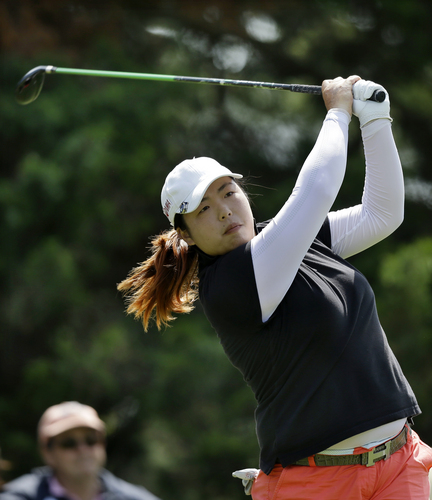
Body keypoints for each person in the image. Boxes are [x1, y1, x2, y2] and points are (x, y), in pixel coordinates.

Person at [117, 76, 432, 499]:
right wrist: (338, 112)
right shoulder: (231, 284)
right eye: (205, 209)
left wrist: (375, 119)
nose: (226, 211)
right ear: (187, 234)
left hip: (400, 462)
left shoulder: (289, 241)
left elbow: (382, 214)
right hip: (319, 483)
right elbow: (317, 189)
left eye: (229, 193)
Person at [0, 402, 160, 500]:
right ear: (47, 453)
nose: (83, 449)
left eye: (91, 440)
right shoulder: (19, 496)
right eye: (69, 443)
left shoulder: (136, 498)